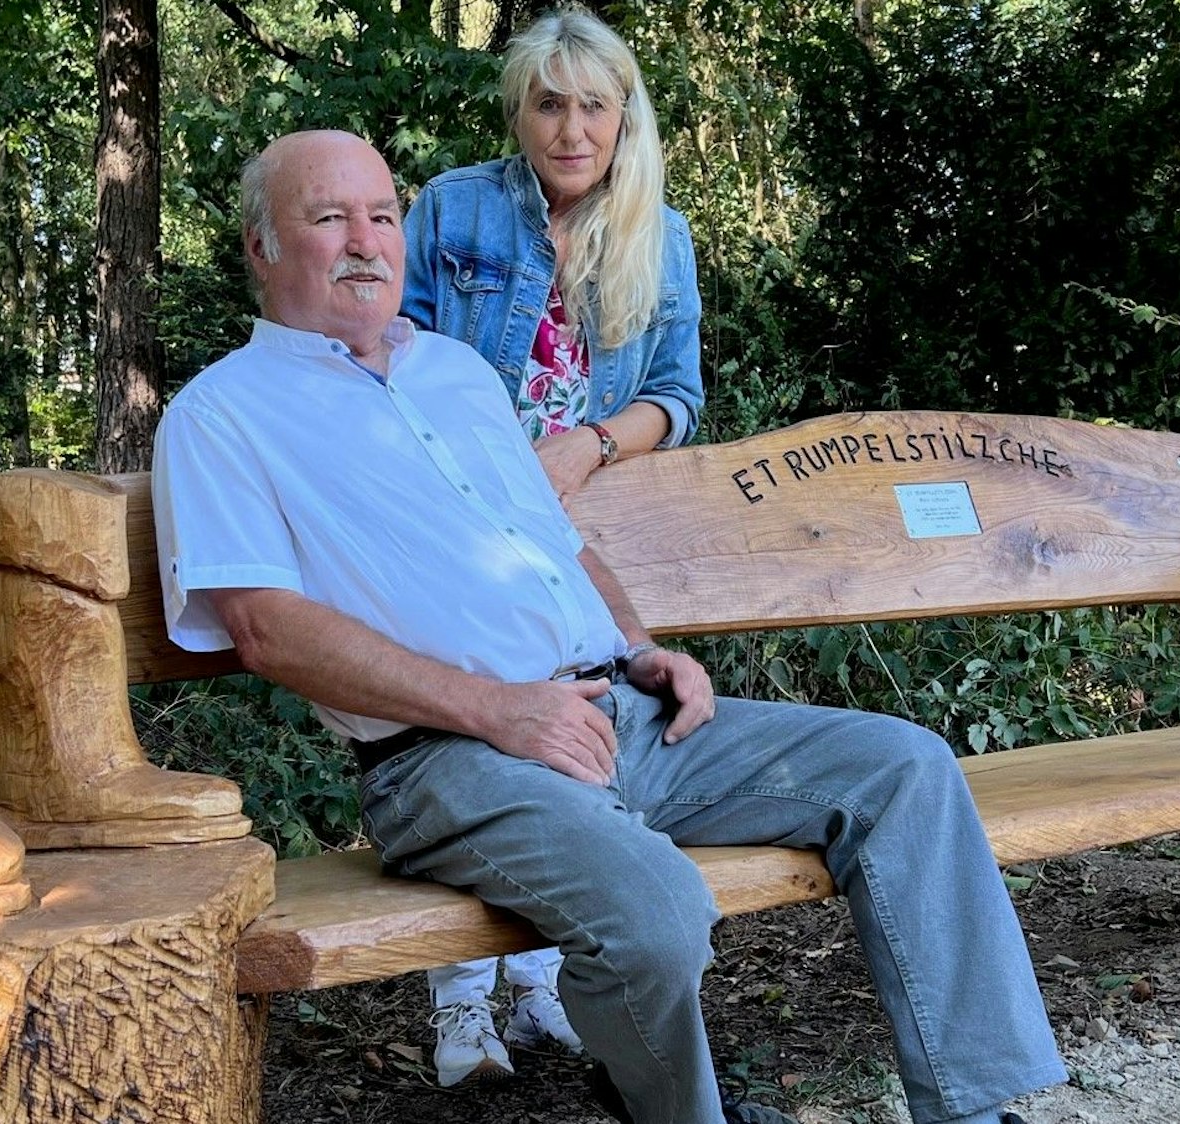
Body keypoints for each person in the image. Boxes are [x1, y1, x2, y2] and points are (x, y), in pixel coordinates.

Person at [152, 128, 1066, 1124]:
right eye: (329, 218)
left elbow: (559, 545)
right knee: (658, 909)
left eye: (382, 214)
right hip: (450, 760)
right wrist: (502, 710)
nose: (367, 240)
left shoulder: (454, 374)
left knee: (905, 768)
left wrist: (640, 647)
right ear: (262, 247)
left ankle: (968, 1109)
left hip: (616, 708)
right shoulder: (221, 416)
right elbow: (267, 630)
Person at [397, 8, 705, 1084]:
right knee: (478, 741)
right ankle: (460, 1007)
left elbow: (676, 394)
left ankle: (533, 989)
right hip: (454, 517)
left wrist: (588, 444)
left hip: (567, 526)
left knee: (566, 726)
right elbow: (388, 360)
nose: (571, 127)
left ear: (625, 113)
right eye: (548, 102)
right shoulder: (452, 208)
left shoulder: (658, 234)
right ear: (520, 110)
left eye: (593, 103)